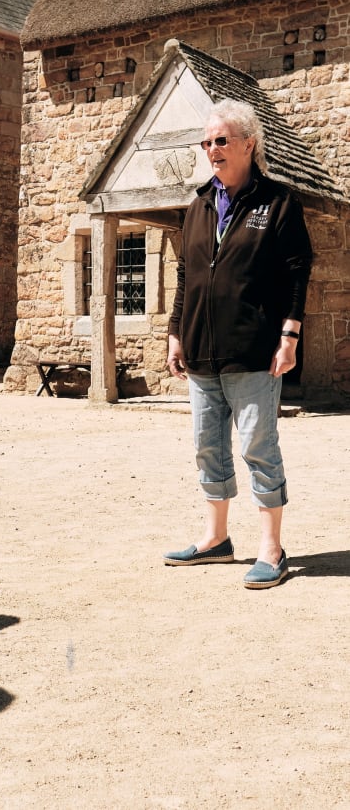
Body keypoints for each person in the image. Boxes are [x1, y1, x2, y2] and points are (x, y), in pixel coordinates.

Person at [163, 98, 313, 589]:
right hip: (202, 352)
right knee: (208, 448)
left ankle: (272, 549)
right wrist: (175, 332)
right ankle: (216, 540)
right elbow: (187, 274)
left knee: (257, 447)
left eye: (221, 140)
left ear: (249, 143)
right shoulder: (200, 203)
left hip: (254, 351)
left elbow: (297, 273)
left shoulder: (279, 202)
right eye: (207, 142)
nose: (212, 150)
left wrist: (289, 335)